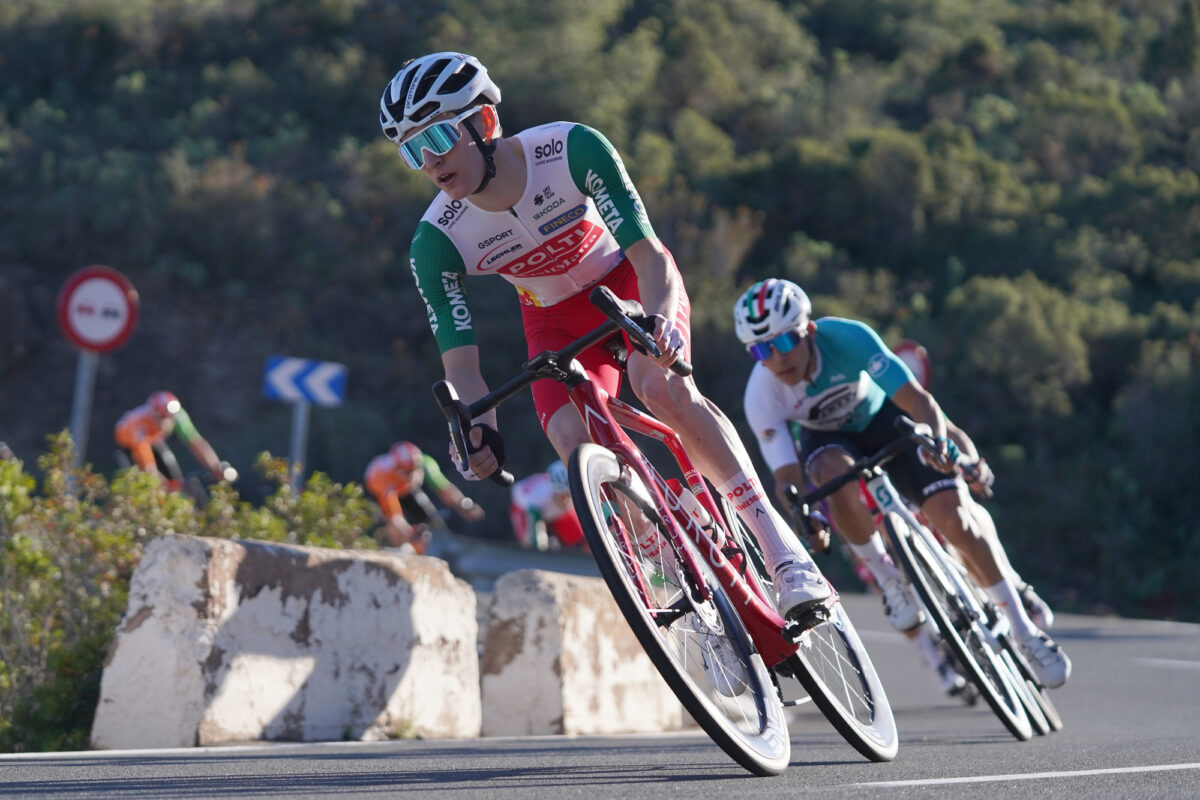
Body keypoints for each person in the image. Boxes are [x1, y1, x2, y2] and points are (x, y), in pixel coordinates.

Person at [379, 52, 831, 625]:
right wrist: (475, 428)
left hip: (628, 282)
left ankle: (781, 549)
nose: (430, 161)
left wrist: (662, 318)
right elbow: (463, 369)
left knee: (657, 385)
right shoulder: (435, 241)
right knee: (572, 438)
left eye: (439, 136)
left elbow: (649, 257)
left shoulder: (569, 149)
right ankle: (674, 579)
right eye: (412, 150)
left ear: (485, 123)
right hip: (551, 317)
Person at [735, 278, 1070, 688]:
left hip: (885, 422)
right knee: (827, 474)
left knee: (953, 518)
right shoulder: (760, 394)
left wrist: (939, 445)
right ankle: (888, 578)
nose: (775, 358)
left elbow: (917, 400)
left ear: (809, 330)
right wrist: (805, 517)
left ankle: (1025, 631)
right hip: (829, 441)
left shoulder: (847, 337)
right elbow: (787, 477)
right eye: (759, 350)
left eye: (783, 343)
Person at [364, 440, 485, 553]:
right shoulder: (383, 476)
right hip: (379, 491)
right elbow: (394, 517)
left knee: (428, 523)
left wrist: (463, 504)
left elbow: (444, 487)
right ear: (398, 470)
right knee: (398, 530)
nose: (412, 476)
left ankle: (419, 557)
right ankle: (395, 549)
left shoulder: (425, 463)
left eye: (414, 471)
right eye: (407, 473)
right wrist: (409, 533)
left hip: (404, 489)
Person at [114, 391, 236, 491]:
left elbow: (196, 442)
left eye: (168, 417)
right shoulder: (139, 424)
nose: (165, 421)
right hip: (129, 444)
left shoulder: (177, 416)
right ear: (153, 414)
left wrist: (215, 467)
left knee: (174, 478)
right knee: (148, 482)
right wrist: (157, 479)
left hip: (152, 440)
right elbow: (146, 463)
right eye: (161, 417)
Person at [509, 460, 586, 551]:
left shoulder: (577, 493)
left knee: (579, 537)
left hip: (546, 507)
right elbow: (535, 538)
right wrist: (539, 542)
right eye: (561, 495)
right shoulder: (537, 498)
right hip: (526, 509)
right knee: (530, 543)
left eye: (568, 496)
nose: (564, 501)